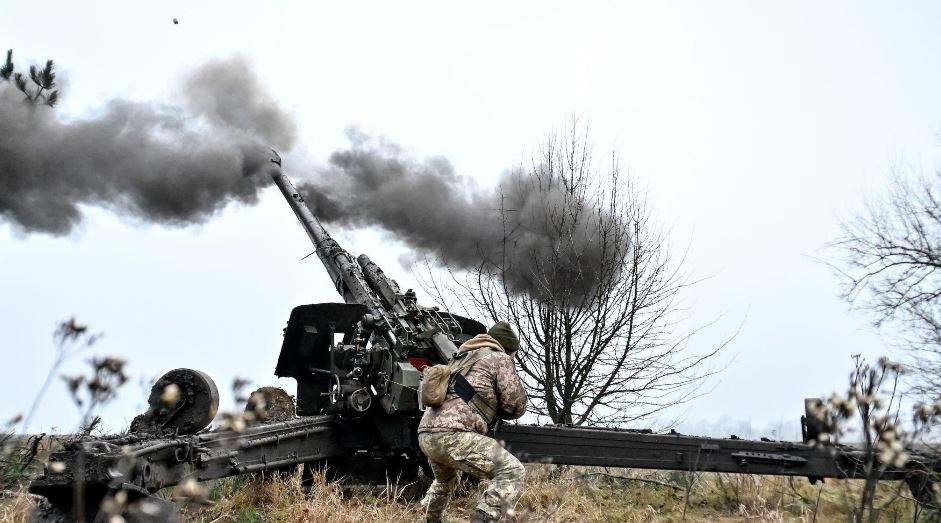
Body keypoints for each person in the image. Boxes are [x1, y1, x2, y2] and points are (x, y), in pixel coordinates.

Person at [418, 321, 528, 523]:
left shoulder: (460, 358)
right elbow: (515, 406)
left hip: (426, 434)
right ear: (510, 348)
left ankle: (429, 520)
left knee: (446, 480)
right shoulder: (500, 357)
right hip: (453, 434)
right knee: (512, 470)